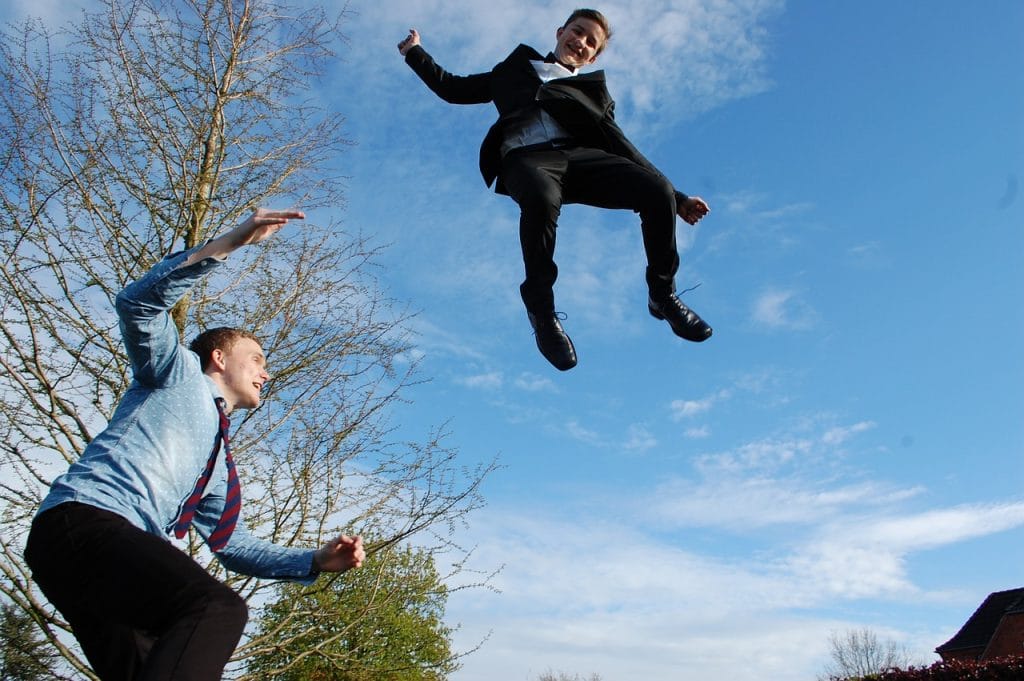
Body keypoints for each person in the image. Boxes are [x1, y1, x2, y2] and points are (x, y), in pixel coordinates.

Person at [23, 208, 366, 681]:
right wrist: (231, 243)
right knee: (215, 608)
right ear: (219, 358)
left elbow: (232, 545)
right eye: (257, 359)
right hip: (82, 522)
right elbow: (138, 306)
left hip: (96, 565)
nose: (266, 372)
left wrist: (312, 560)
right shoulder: (175, 372)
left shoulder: (219, 466)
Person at [398, 8, 712, 372]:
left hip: (579, 161)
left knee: (654, 189)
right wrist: (414, 52)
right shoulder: (514, 71)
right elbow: (453, 88)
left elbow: (623, 146)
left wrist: (676, 198)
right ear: (561, 31)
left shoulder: (591, 94)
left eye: (590, 43)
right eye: (577, 33)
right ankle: (543, 313)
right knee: (540, 196)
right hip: (527, 160)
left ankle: (663, 295)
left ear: (593, 57)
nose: (580, 43)